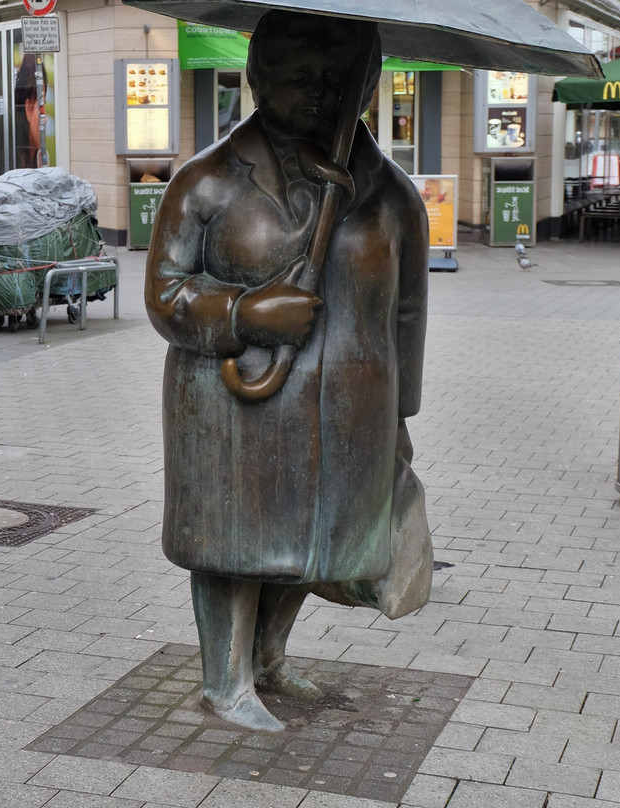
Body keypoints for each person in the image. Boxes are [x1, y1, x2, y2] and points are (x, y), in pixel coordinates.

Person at [144, 10, 433, 732]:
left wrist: (402, 413)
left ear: (367, 84)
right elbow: (165, 293)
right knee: (236, 544)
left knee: (313, 542)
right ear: (258, 76)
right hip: (231, 408)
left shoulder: (391, 194)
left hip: (349, 405)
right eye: (300, 78)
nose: (319, 95)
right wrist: (244, 313)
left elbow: (408, 313)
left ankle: (270, 657)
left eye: (338, 81)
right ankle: (225, 681)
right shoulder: (206, 183)